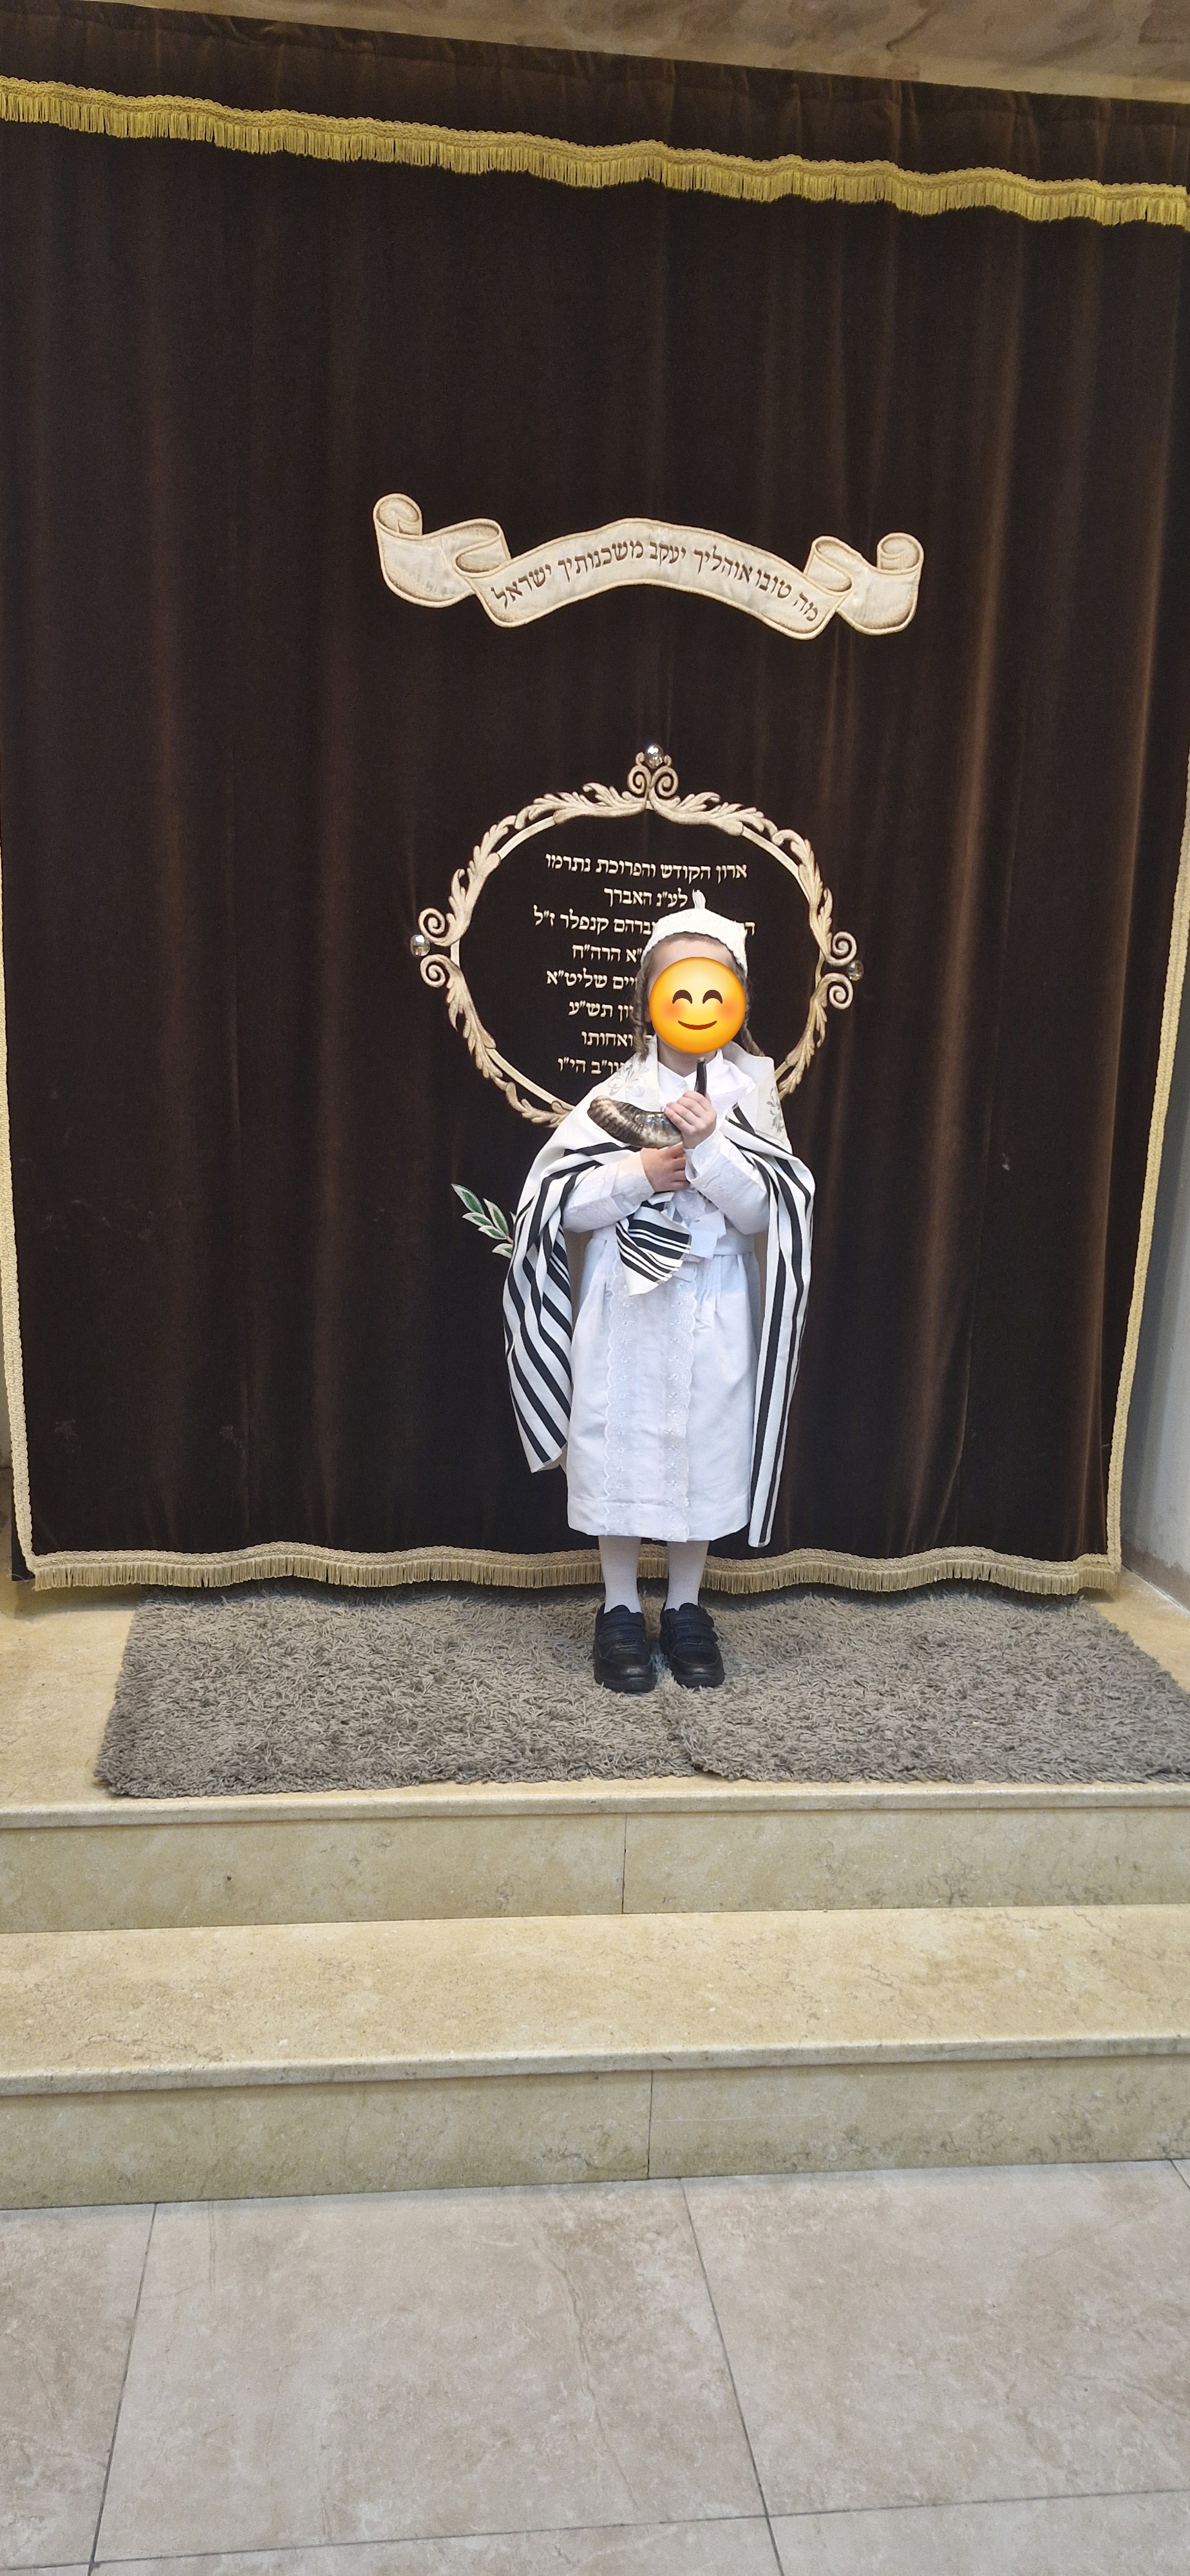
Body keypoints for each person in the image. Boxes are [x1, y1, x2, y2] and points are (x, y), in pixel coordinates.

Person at [504, 892, 813, 1691]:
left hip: (714, 1302)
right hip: (627, 1306)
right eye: (678, 985)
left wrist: (710, 1149)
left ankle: (684, 1606)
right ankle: (617, 1607)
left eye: (712, 984)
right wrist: (639, 1173)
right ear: (649, 1000)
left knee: (699, 1450)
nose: (695, 1002)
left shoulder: (752, 1092)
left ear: (736, 997)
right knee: (620, 1450)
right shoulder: (616, 1095)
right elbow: (556, 1202)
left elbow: (769, 1211)